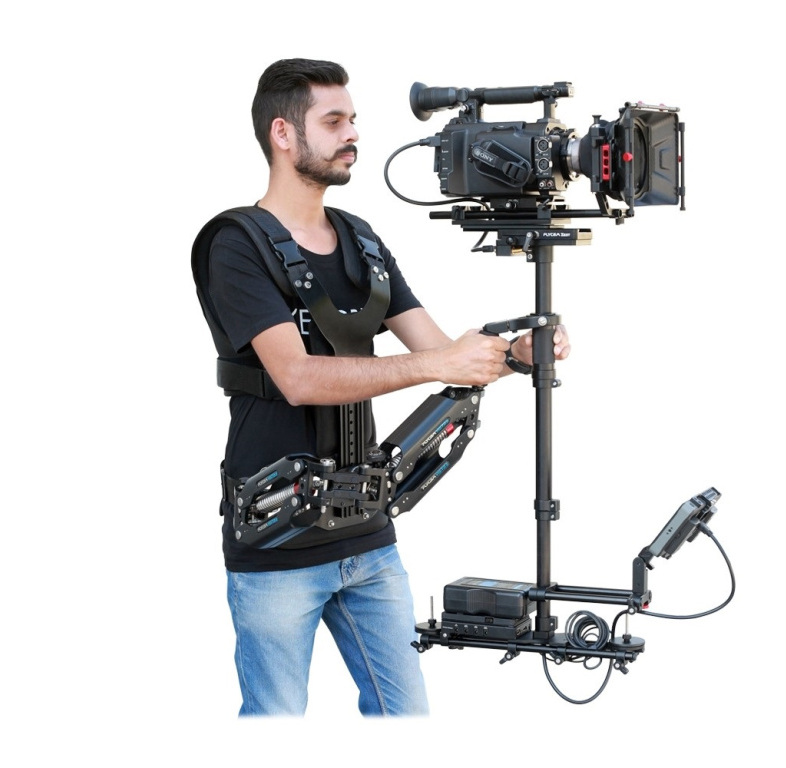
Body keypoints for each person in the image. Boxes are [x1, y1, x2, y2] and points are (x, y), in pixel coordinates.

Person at [194, 58, 569, 717]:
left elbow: (439, 352)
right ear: (283, 134)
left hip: (368, 538)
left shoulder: (361, 240)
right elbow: (297, 377)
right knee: (274, 725)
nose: (353, 134)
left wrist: (514, 355)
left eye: (353, 120)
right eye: (333, 121)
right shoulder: (235, 243)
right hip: (276, 541)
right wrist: (439, 363)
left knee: (405, 720)